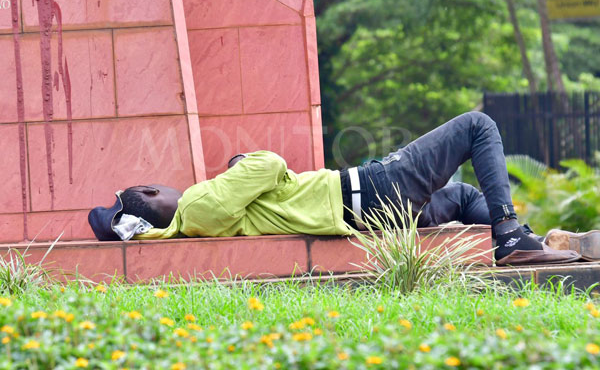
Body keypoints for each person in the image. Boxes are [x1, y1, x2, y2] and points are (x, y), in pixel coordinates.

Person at [88, 112, 581, 265]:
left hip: (371, 214)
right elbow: (271, 163)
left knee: (464, 197)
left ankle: (534, 241)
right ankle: (512, 237)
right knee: (477, 127)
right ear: (152, 194)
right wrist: (241, 161)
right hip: (370, 189)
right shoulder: (196, 203)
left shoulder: (195, 221)